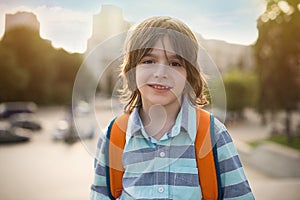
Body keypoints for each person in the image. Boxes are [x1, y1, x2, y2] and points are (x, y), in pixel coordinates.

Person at [90, 16, 254, 200]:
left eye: (175, 64)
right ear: (132, 69)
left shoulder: (214, 135)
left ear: (189, 75)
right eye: (149, 61)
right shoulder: (112, 138)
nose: (161, 73)